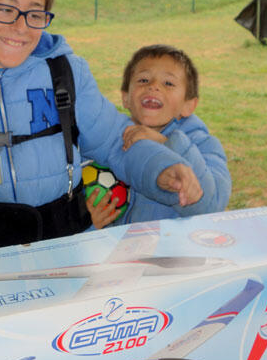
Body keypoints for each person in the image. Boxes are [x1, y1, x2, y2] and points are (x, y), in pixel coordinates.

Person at [0, 0, 203, 256]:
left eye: (34, 14)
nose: (21, 27)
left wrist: (162, 168)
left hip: (68, 251)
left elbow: (116, 142)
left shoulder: (65, 74)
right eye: (6, 9)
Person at [86, 44, 230, 227]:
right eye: (143, 80)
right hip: (123, 245)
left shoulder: (205, 145)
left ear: (188, 105)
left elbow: (212, 204)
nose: (153, 86)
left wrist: (165, 143)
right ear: (125, 97)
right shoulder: (111, 142)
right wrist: (91, 222)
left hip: (177, 243)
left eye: (168, 83)